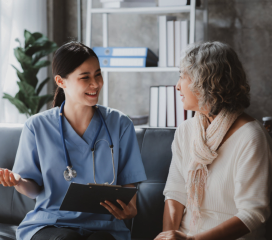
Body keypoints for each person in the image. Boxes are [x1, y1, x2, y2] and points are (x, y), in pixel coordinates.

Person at [0, 41, 147, 240]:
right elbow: (33, 189)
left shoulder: (120, 124)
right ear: (61, 81)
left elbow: (129, 189)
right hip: (50, 223)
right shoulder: (37, 126)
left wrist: (130, 209)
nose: (96, 84)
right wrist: (18, 181)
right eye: (85, 77)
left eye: (98, 74)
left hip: (104, 226)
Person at [155, 41, 272, 240]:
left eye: (182, 76)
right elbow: (175, 193)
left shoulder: (251, 137)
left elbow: (253, 212)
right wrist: (168, 236)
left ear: (205, 82)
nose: (177, 86)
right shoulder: (185, 130)